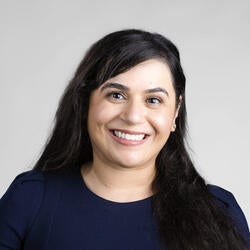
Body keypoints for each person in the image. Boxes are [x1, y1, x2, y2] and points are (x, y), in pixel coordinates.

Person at [0, 29, 249, 250]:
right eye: (116, 95)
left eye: (153, 100)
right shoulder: (29, 200)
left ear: (175, 112)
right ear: (86, 103)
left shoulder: (219, 212)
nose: (132, 116)